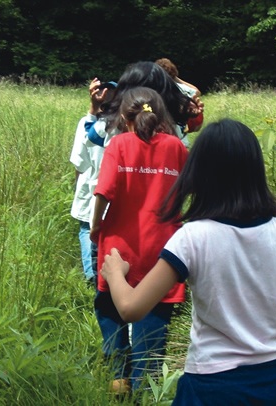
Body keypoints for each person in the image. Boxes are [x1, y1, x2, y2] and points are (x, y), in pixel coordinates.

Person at [100, 118, 276, 405]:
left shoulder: (193, 237)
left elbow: (131, 309)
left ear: (197, 174)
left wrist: (116, 274)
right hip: (270, 384)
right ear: (255, 171)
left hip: (209, 385)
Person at [90, 87, 189, 394]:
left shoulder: (118, 144)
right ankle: (144, 384)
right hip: (165, 247)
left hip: (120, 244)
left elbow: (103, 193)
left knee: (108, 303)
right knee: (156, 309)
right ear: (160, 115)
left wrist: (95, 228)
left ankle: (120, 374)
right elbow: (191, 191)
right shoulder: (176, 147)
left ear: (123, 116)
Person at [86, 61, 204, 149]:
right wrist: (191, 115)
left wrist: (95, 106)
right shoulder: (171, 126)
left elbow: (91, 137)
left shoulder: (112, 124)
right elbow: (191, 129)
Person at [69, 80, 117, 285]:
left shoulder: (89, 124)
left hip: (91, 184)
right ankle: (102, 274)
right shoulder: (123, 126)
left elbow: (79, 161)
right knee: (105, 230)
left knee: (87, 229)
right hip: (108, 188)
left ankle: (92, 275)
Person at [155, 57, 204, 133]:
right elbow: (196, 91)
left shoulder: (156, 92)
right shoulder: (181, 87)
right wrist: (175, 78)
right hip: (182, 133)